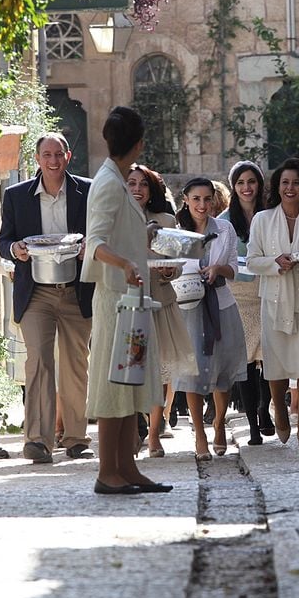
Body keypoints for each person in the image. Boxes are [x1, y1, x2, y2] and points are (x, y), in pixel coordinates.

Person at [82, 106, 172, 495]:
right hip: (116, 301)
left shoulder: (117, 179)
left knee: (130, 383)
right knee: (114, 386)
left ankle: (127, 467)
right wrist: (125, 264)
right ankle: (107, 472)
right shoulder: (106, 182)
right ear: (138, 144)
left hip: (132, 300)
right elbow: (94, 243)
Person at [0, 133, 95, 464]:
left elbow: (99, 233)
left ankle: (77, 438)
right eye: (46, 155)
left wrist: (88, 250)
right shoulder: (15, 195)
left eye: (58, 154)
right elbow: (4, 240)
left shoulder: (88, 190)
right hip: (35, 291)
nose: (53, 161)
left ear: (68, 157)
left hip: (76, 290)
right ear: (37, 159)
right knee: (38, 361)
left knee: (75, 364)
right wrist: (15, 249)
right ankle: (37, 441)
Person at [246, 159, 299, 449]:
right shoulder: (262, 220)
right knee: (276, 364)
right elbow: (252, 260)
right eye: (285, 183)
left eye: (296, 183)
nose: (290, 188)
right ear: (277, 187)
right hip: (274, 301)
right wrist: (274, 262)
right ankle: (280, 411)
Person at [174, 178, 248, 460]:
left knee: (223, 368)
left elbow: (233, 269)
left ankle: (218, 423)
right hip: (190, 306)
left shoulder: (226, 229)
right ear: (186, 200)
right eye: (196, 199)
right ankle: (200, 434)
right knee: (193, 370)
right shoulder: (178, 232)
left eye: (207, 199)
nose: (202, 205)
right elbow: (172, 270)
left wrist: (218, 268)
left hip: (222, 303)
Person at [126, 164, 194, 458]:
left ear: (152, 190)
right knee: (132, 370)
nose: (138, 189)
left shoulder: (165, 220)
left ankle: (154, 433)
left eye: (143, 184)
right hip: (128, 305)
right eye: (132, 183)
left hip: (160, 303)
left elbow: (177, 264)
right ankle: (135, 429)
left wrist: (168, 271)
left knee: (158, 372)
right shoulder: (116, 220)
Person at [219, 160, 275, 446]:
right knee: (246, 362)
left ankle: (266, 409)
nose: (246, 187)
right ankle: (253, 424)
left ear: (259, 183)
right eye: (241, 182)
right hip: (238, 294)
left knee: (267, 355)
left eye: (251, 181)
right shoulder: (225, 221)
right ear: (233, 186)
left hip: (267, 290)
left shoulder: (270, 214)